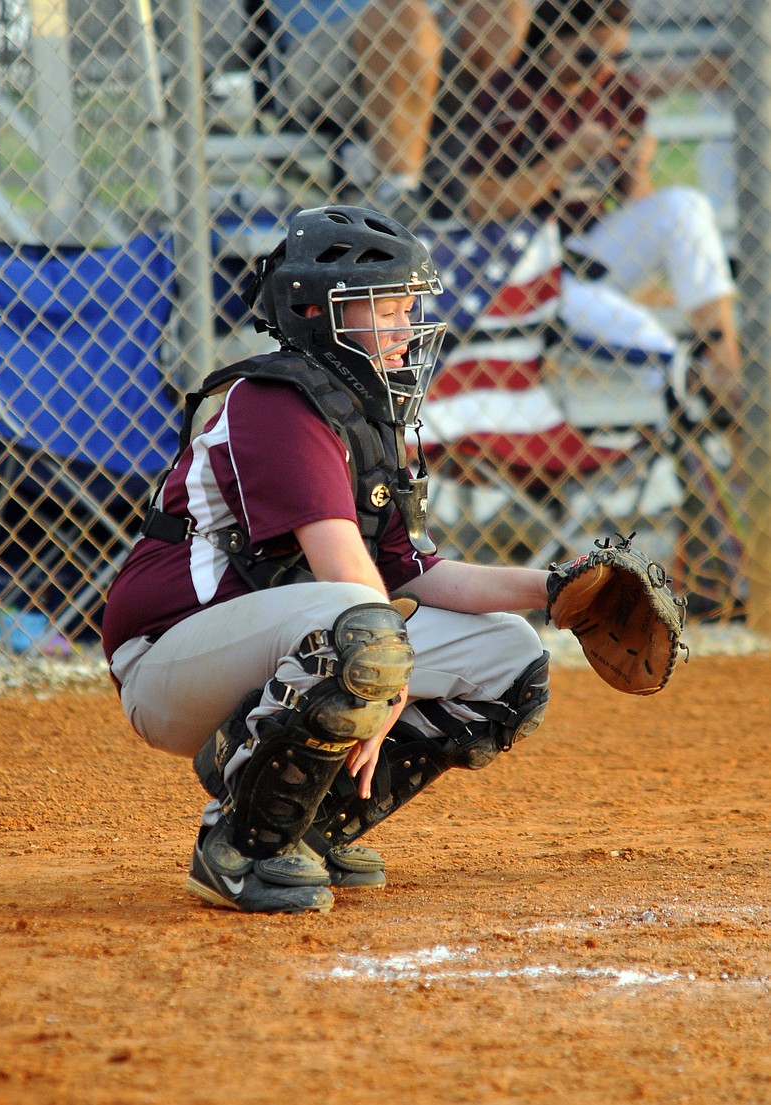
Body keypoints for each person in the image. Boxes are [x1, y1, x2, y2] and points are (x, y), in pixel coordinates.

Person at [101, 205, 552, 915]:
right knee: (363, 629)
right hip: (170, 657)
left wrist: (556, 588)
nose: (409, 326)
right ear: (314, 311)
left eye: (410, 306)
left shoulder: (367, 415)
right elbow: (346, 568)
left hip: (289, 644)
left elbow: (413, 573)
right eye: (389, 308)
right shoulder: (277, 401)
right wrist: (389, 675)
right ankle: (242, 842)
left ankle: (308, 821)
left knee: (511, 657)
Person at [447, 0, 742, 419]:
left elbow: (640, 208)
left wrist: (635, 167)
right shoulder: (509, 93)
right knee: (644, 335)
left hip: (593, 252)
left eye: (615, 55)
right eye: (588, 55)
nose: (603, 67)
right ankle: (702, 399)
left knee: (685, 205)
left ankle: (724, 364)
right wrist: (564, 159)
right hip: (529, 268)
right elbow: (482, 205)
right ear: (552, 42)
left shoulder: (617, 91)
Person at [266, 0, 531, 219]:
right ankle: (399, 195)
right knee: (401, 15)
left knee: (503, 9)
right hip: (324, 42)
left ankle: (490, 169)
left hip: (434, 27)